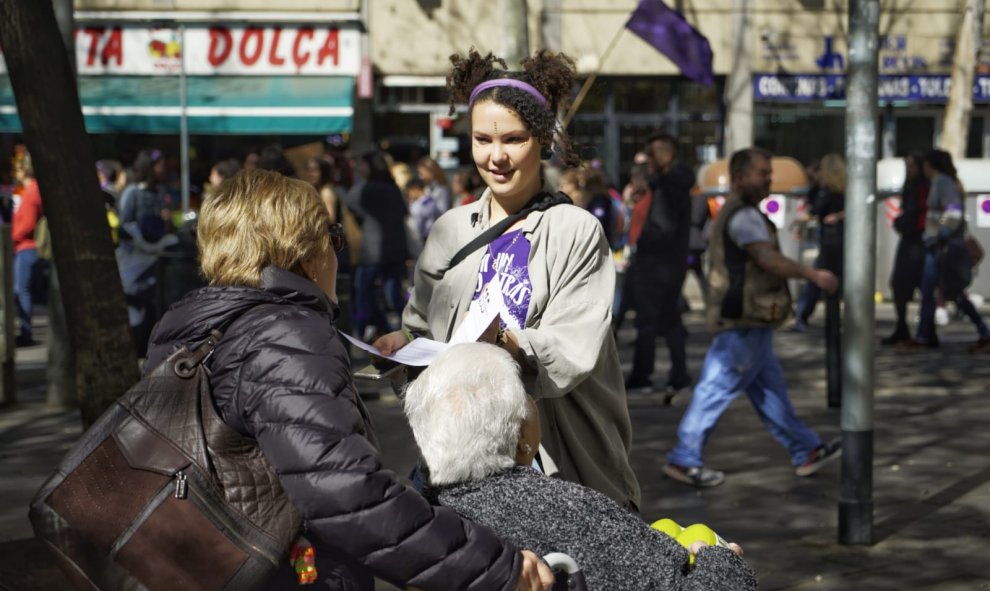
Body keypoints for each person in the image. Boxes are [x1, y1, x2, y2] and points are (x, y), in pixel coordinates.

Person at [144, 169, 554, 591]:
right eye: (333, 238)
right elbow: (348, 495)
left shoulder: (189, 327)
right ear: (306, 253)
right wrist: (492, 568)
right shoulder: (285, 337)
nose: (338, 254)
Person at [374, 48, 641, 509]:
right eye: (482, 140)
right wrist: (403, 346)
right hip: (463, 464)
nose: (495, 157)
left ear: (543, 141)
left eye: (513, 140)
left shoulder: (575, 230)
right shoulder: (449, 230)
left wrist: (510, 343)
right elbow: (423, 329)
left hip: (559, 463)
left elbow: (575, 345)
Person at [405, 342, 758, 591]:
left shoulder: (413, 518)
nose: (532, 402)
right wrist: (723, 564)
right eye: (527, 396)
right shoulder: (572, 513)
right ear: (522, 436)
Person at [664, 147, 842, 488]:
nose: (768, 180)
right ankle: (683, 458)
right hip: (743, 319)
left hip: (751, 321)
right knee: (715, 389)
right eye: (762, 173)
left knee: (770, 393)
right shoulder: (744, 216)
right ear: (740, 177)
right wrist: (814, 275)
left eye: (768, 173)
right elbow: (768, 260)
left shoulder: (738, 212)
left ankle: (806, 449)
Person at [897, 149, 990, 353]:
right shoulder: (943, 182)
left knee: (947, 291)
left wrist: (937, 229)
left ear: (930, 165)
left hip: (942, 246)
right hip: (939, 245)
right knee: (933, 290)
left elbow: (952, 212)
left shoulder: (942, 183)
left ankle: (983, 332)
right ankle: (924, 336)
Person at [625, 133, 694, 399]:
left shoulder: (669, 187)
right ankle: (679, 375)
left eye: (651, 155)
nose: (648, 161)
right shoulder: (672, 184)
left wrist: (643, 246)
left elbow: (661, 228)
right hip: (669, 264)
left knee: (648, 322)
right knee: (669, 320)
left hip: (656, 265)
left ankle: (644, 375)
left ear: (665, 155)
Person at [344, 150, 410, 341]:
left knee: (364, 293)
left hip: (373, 249)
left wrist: (361, 179)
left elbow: (350, 201)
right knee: (393, 294)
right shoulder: (393, 188)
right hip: (396, 247)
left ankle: (364, 330)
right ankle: (408, 327)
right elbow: (403, 212)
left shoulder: (367, 188)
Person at [792, 153, 846, 331]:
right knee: (837, 278)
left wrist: (798, 221)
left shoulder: (827, 191)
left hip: (831, 239)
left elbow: (814, 210)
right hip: (841, 238)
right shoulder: (843, 189)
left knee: (817, 277)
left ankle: (802, 315)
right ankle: (838, 318)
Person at [882, 152, 929, 346]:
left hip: (918, 242)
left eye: (911, 166)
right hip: (912, 240)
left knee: (921, 286)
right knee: (900, 286)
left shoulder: (924, 187)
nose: (908, 170)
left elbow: (927, 214)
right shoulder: (911, 187)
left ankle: (922, 332)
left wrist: (905, 224)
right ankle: (906, 328)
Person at [11, 150, 43, 347]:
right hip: (27, 247)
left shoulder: (31, 192)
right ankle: (25, 330)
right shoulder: (34, 190)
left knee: (22, 290)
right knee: (23, 290)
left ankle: (26, 331)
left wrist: (12, 237)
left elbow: (28, 223)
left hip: (26, 247)